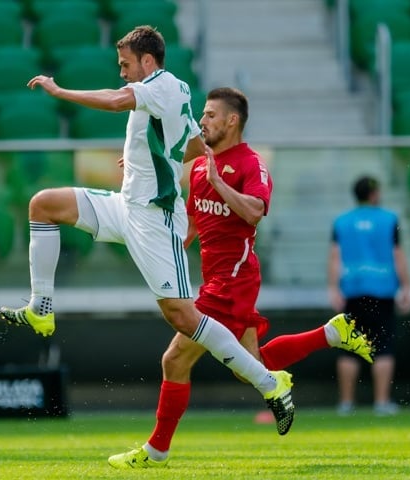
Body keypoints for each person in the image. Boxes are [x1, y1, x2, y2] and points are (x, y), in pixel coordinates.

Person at [0, 25, 296, 439]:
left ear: (148, 61)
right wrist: (146, 155)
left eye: (125, 65)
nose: (121, 73)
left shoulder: (163, 85)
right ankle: (41, 306)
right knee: (44, 205)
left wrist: (60, 91)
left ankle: (270, 383)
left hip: (156, 219)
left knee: (181, 316)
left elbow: (118, 101)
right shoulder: (168, 94)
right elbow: (192, 144)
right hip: (126, 205)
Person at [107, 87, 374, 468]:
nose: (203, 121)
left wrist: (220, 183)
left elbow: (254, 211)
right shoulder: (200, 164)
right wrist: (169, 247)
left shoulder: (251, 164)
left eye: (211, 115)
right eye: (203, 114)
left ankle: (156, 450)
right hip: (213, 276)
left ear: (232, 121)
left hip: (234, 278)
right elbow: (196, 219)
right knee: (252, 363)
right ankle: (331, 334)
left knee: (176, 359)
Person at [328, 176, 410, 416]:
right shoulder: (389, 219)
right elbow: (398, 255)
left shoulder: (342, 221)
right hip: (383, 289)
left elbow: (335, 256)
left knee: (349, 346)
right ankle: (381, 402)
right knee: (383, 345)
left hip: (353, 289)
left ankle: (346, 403)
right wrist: (406, 287)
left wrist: (334, 288)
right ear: (374, 194)